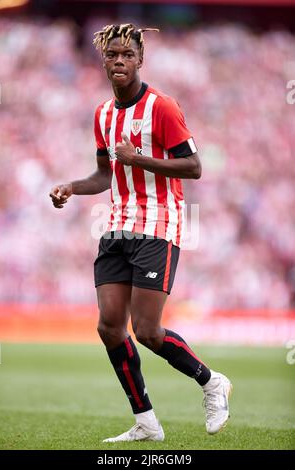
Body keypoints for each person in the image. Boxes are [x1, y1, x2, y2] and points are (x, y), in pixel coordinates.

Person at [50, 23, 232, 442]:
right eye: (112, 54)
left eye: (126, 55)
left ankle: (211, 382)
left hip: (158, 225)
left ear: (139, 60)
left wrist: (140, 159)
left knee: (147, 330)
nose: (118, 60)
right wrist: (71, 188)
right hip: (116, 225)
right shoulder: (102, 114)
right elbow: (104, 174)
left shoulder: (162, 107)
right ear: (103, 59)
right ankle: (146, 422)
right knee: (109, 327)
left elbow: (194, 167)